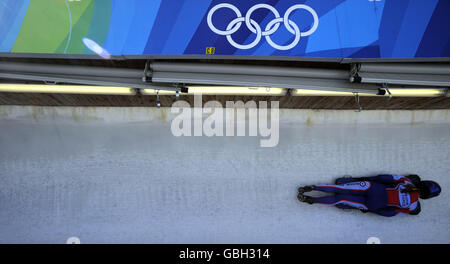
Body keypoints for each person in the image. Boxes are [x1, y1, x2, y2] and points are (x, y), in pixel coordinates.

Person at [297, 174, 441, 217]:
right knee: (340, 199)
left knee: (340, 188)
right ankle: (312, 200)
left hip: (374, 189)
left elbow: (385, 178)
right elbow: (390, 213)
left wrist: (365, 179)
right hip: (373, 204)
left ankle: (312, 187)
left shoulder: (406, 181)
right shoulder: (412, 207)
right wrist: (373, 210)